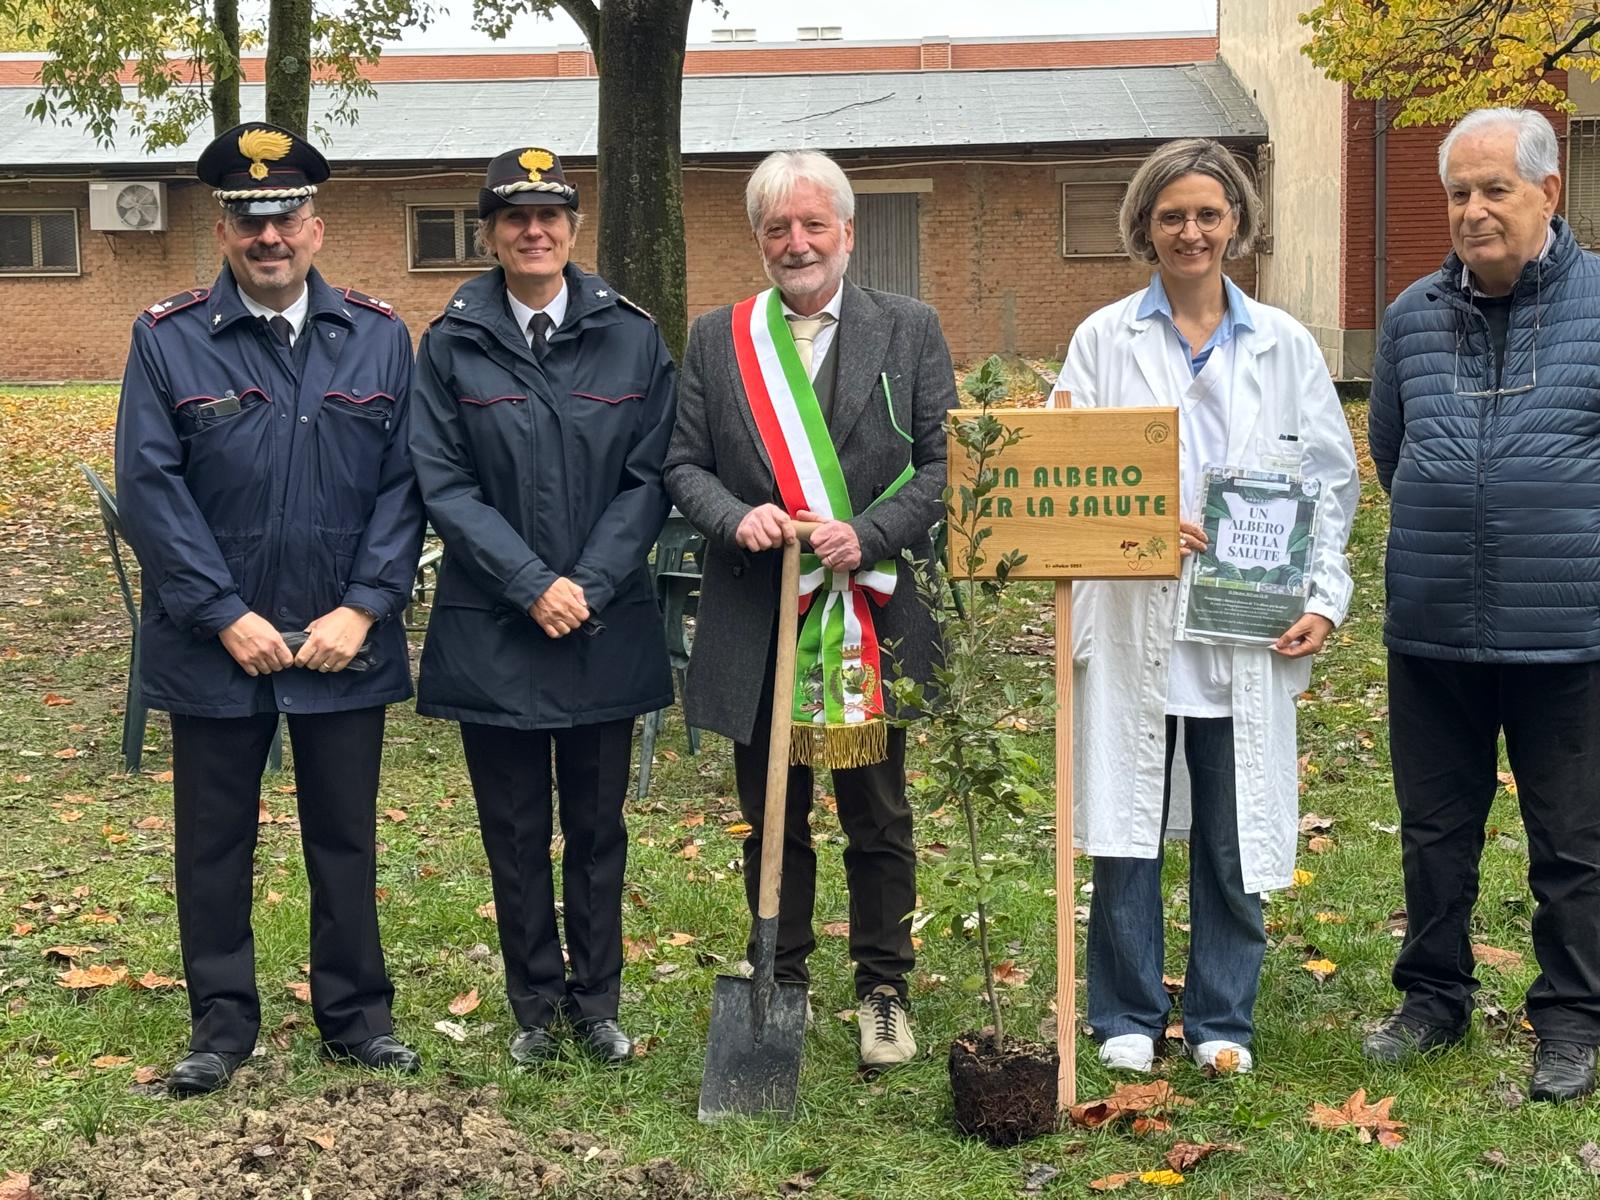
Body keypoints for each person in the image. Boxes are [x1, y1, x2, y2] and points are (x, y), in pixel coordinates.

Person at [114, 123, 426, 1095]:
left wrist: (365, 607)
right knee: (213, 841)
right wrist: (223, 613)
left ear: (317, 226)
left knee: (345, 835)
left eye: (285, 216)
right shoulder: (165, 340)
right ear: (223, 229)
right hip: (217, 644)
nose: (269, 237)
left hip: (342, 639)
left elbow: (405, 486)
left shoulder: (380, 335)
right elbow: (150, 490)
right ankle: (219, 1027)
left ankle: (356, 1019)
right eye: (250, 220)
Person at [1055, 138, 1358, 1076]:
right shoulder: (1103, 340)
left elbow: (1331, 485)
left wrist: (1325, 598)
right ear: (1145, 225)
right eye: (1172, 214)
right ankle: (1127, 1016)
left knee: (1232, 830)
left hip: (1246, 626)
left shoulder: (1287, 345)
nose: (1191, 231)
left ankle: (1224, 1018)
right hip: (1132, 619)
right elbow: (1062, 478)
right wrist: (1147, 524)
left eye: (1209, 214)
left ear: (1236, 224)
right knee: (1126, 825)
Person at [665, 149, 952, 1070]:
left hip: (871, 615)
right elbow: (681, 464)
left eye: (812, 225)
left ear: (847, 233)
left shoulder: (910, 328)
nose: (797, 244)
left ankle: (883, 990)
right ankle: (777, 978)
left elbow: (948, 464)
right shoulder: (719, 337)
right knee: (772, 812)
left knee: (878, 815)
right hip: (763, 615)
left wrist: (864, 534)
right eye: (778, 229)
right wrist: (731, 513)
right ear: (758, 239)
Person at [409, 147, 676, 1067]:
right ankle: (534, 1006)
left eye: (550, 215)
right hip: (496, 627)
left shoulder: (633, 337)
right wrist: (530, 583)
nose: (534, 231)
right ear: (489, 232)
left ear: (571, 228)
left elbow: (650, 478)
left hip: (602, 623)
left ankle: (596, 1002)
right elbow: (442, 482)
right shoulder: (449, 340)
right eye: (514, 217)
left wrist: (585, 585)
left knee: (598, 826)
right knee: (516, 827)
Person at [1365, 107, 1600, 1103]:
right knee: (1433, 832)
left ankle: (1573, 1020)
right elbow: (1389, 450)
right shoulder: (1413, 315)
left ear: (1548, 192)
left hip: (1568, 633)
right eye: (1457, 192)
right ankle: (1432, 998)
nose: (1471, 210)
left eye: (1493, 189)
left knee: (1574, 843)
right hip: (1431, 627)